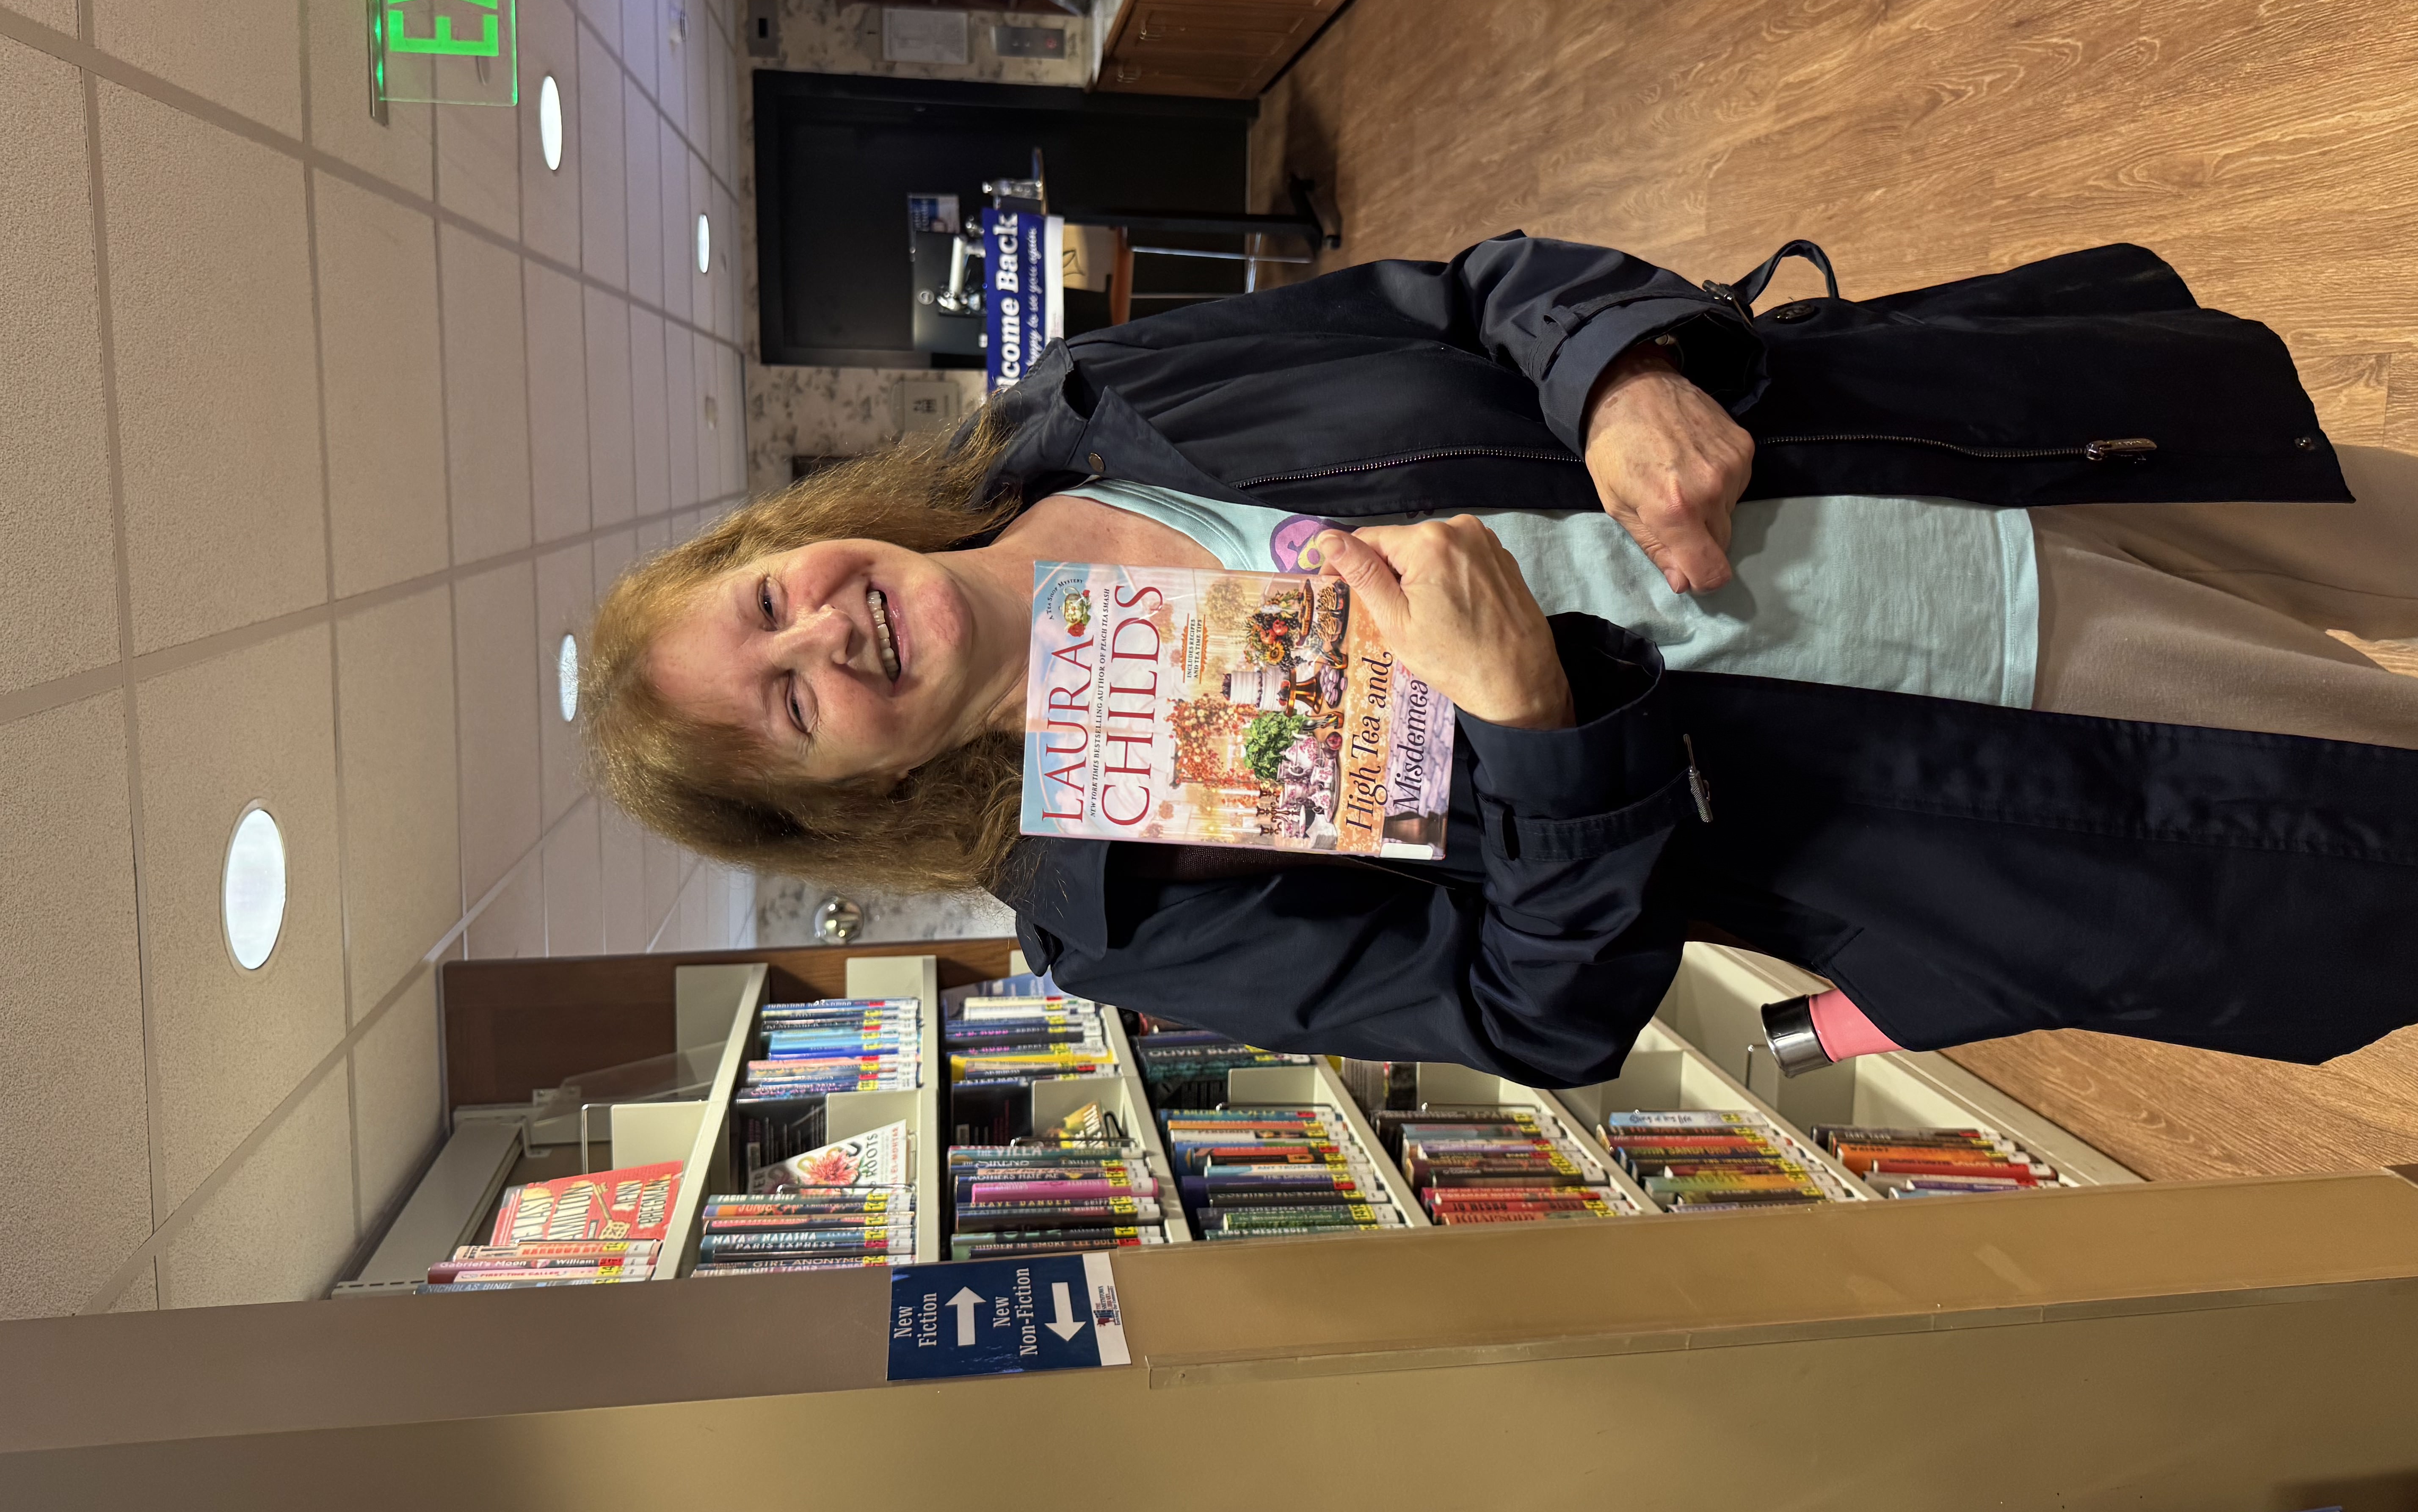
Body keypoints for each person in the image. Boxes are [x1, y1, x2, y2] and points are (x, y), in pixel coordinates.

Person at [586, 234, 2418, 1088]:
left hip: (1959, 459)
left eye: (769, 605)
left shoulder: (1092, 402)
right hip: (1990, 759)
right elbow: (1527, 1011)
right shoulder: (1113, 895)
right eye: (790, 708)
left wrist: (1618, 372)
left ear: (797, 537)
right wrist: (1531, 729)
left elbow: (1461, 292)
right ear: (845, 796)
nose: (823, 636)